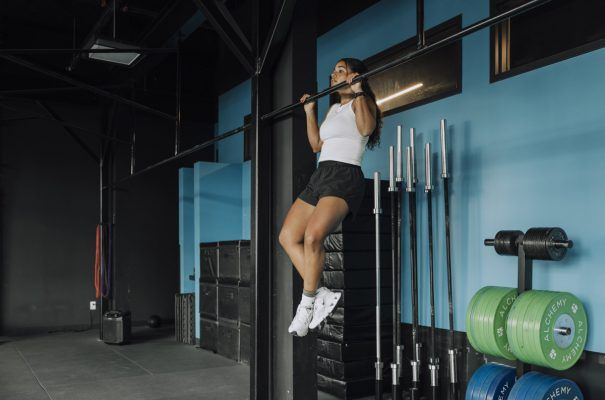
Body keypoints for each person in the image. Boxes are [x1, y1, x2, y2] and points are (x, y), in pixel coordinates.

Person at [278, 58, 382, 336]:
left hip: (345, 175)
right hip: (321, 175)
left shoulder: (362, 102)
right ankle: (320, 292)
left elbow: (366, 129)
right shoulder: (334, 108)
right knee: (287, 237)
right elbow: (315, 145)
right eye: (333, 70)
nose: (332, 74)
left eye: (339, 70)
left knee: (313, 237)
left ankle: (307, 303)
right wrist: (310, 111)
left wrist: (359, 91)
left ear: (354, 75)